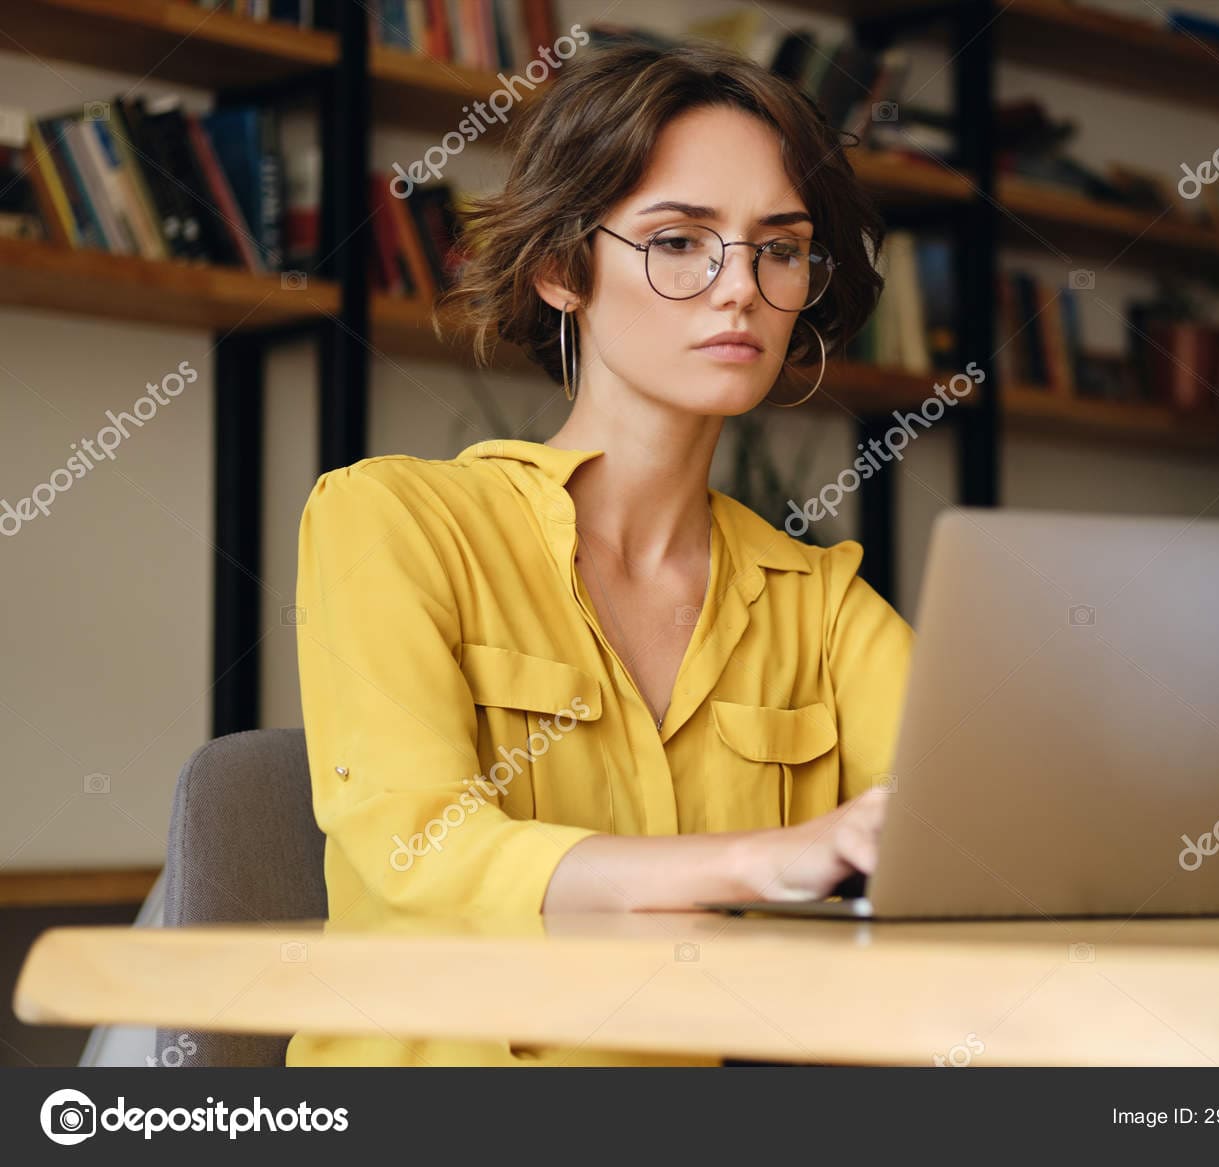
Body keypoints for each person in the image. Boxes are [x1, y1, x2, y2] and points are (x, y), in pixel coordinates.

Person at [286, 39, 913, 1067]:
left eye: (780, 247)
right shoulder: (391, 519)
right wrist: (770, 858)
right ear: (560, 269)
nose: (738, 288)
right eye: (678, 241)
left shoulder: (823, 600)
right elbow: (421, 849)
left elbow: (971, 832)